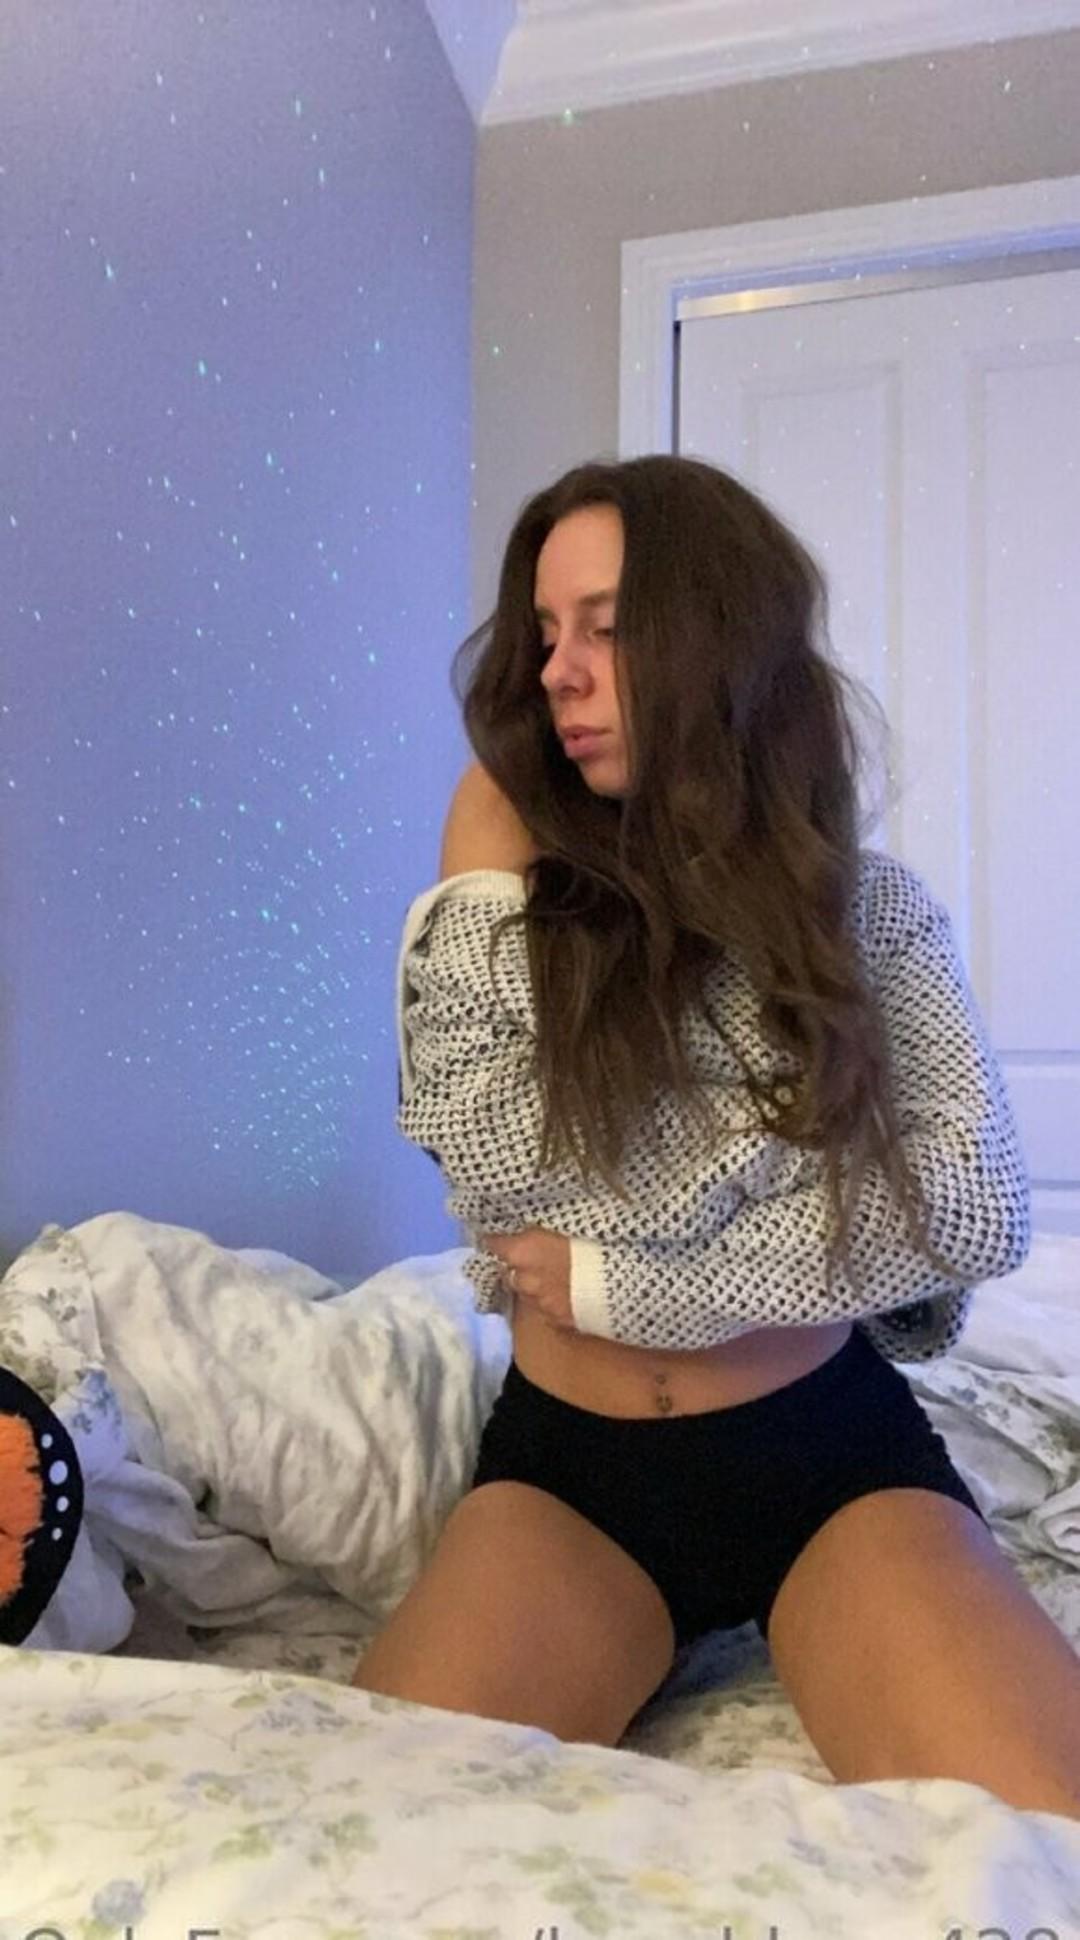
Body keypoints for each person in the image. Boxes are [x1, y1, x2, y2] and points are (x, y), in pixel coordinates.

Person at [353, 454, 1080, 1821]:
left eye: (607, 628)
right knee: (363, 1835)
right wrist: (479, 879)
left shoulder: (871, 915)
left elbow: (972, 1206)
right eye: (546, 633)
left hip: (829, 1457)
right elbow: (498, 1168)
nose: (557, 673)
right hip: (573, 1477)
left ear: (718, 644)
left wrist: (626, 1283)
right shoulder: (507, 897)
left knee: (1043, 1838)